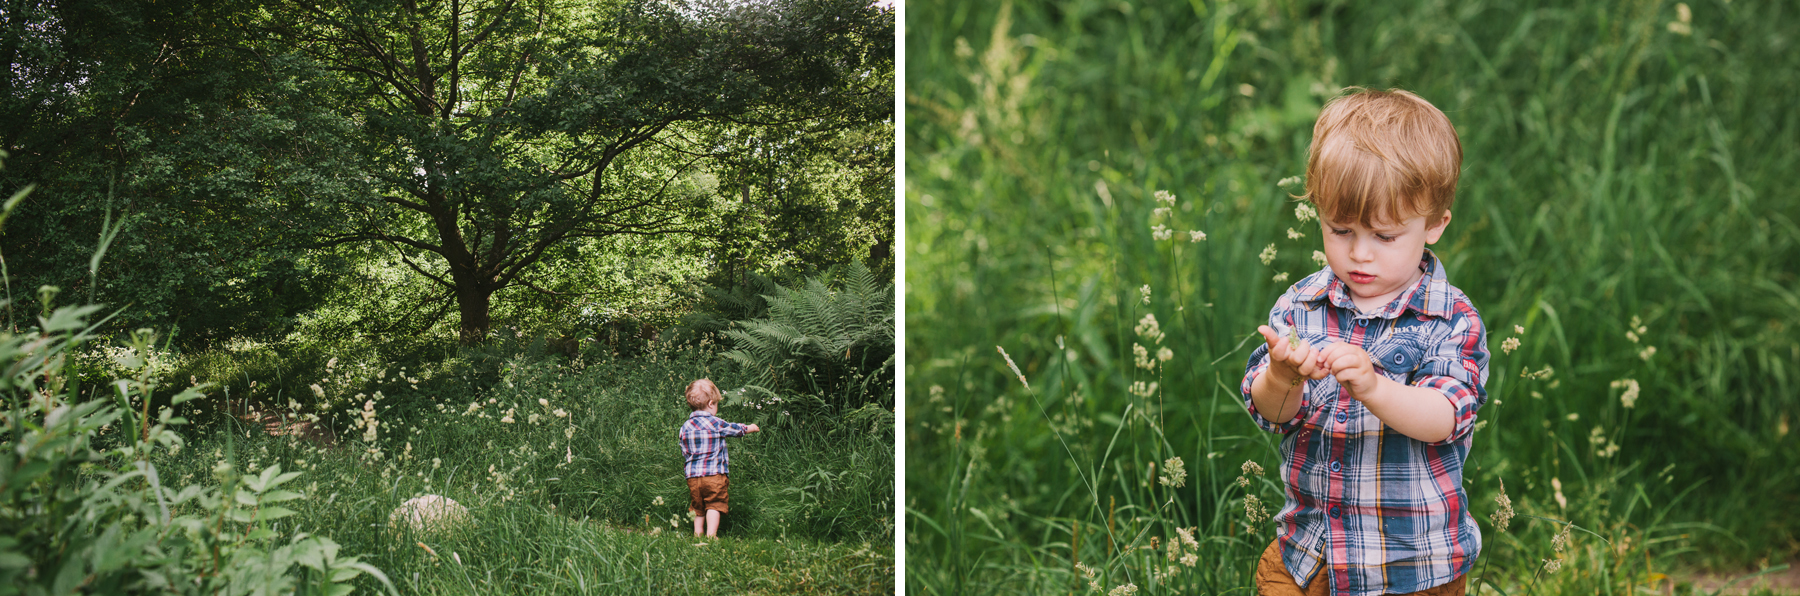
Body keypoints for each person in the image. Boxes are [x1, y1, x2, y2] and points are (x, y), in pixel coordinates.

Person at [1241, 88, 1489, 596]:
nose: (1360, 254)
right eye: (1340, 229)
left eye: (1384, 236)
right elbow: (1273, 414)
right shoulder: (1301, 306)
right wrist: (1281, 375)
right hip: (1310, 554)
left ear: (1435, 225)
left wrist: (1375, 388)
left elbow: (1446, 417)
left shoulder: (1449, 318)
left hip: (1412, 568)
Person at [678, 378, 759, 538]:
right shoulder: (715, 423)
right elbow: (734, 429)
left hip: (693, 477)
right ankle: (711, 535)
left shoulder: (685, 427)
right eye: (716, 404)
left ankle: (697, 533)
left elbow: (684, 450)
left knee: (698, 506)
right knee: (714, 504)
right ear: (710, 404)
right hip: (714, 475)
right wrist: (750, 428)